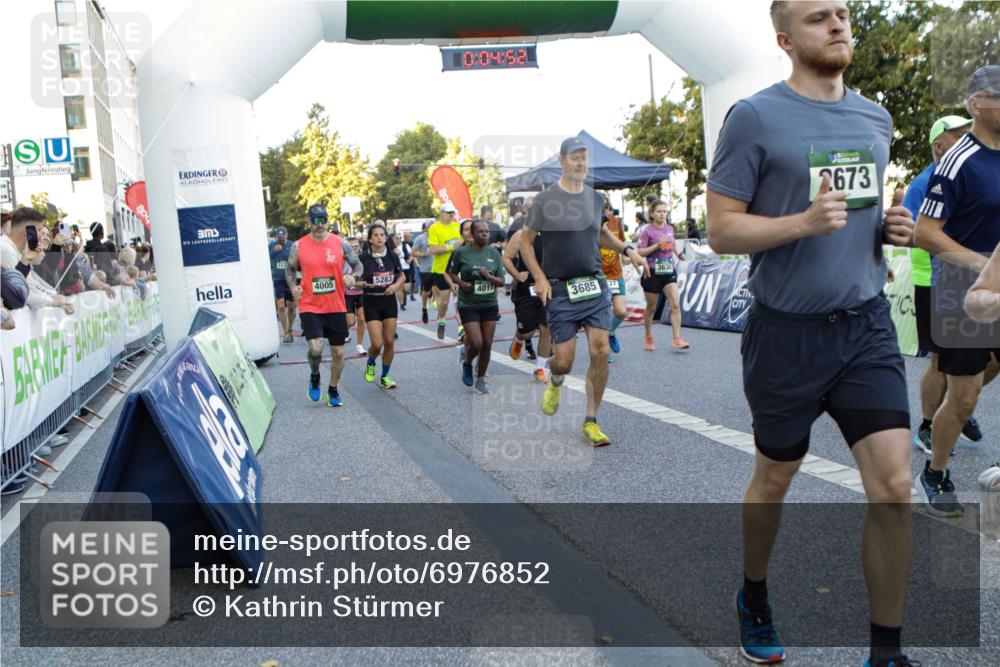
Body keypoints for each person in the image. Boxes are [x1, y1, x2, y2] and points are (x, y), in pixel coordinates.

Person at [706, 2, 917, 665]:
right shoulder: (755, 117)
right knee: (775, 476)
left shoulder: (874, 117)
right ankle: (755, 594)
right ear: (784, 38)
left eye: (843, 13)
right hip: (785, 333)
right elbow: (720, 230)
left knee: (894, 484)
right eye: (819, 16)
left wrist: (888, 228)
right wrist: (799, 223)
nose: (837, 24)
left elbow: (854, 215)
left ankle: (886, 652)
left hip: (863, 326)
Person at [521, 136, 648, 447]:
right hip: (561, 289)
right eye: (575, 157)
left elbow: (601, 232)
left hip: (594, 284)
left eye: (584, 158)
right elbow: (525, 241)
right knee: (563, 359)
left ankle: (591, 420)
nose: (581, 163)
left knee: (600, 351)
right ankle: (556, 380)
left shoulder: (594, 199)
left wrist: (627, 249)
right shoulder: (546, 200)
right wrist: (538, 276)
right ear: (562, 161)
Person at [913, 65, 1000, 519]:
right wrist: (982, 264)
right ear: (976, 105)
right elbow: (925, 234)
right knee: (965, 397)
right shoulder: (956, 162)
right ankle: (936, 471)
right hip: (961, 291)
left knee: (970, 391)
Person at [903, 115, 983, 452]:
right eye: (959, 136)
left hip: (969, 280)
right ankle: (927, 424)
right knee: (938, 359)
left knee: (974, 357)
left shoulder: (969, 173)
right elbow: (908, 231)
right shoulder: (924, 182)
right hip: (934, 280)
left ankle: (956, 405)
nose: (969, 140)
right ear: (939, 145)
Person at [284, 204, 363, 407]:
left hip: (336, 305)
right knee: (316, 349)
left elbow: (358, 264)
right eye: (315, 220)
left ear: (328, 220)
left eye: (323, 220)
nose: (320, 225)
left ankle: (333, 388)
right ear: (309, 221)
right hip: (310, 305)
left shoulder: (340, 243)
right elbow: (290, 269)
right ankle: (315, 374)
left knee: (338, 352)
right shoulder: (299, 246)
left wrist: (353, 278)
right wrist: (294, 287)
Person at [447, 218, 505, 393]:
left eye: (487, 231)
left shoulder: (494, 254)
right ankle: (467, 363)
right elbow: (451, 272)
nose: (485, 234)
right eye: (480, 231)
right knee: (477, 342)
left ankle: (480, 378)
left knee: (487, 343)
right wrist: (461, 284)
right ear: (472, 234)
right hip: (468, 304)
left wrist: (489, 277)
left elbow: (501, 281)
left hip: (489, 303)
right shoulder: (461, 252)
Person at [504, 199, 551, 382]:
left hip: (548, 288)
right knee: (528, 332)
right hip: (527, 288)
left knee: (547, 328)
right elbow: (507, 258)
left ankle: (540, 368)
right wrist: (516, 274)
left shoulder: (552, 234)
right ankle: (519, 338)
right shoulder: (520, 235)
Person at [356, 224, 405, 389]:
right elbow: (353, 281)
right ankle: (371, 361)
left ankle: (385, 376)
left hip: (388, 301)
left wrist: (396, 285)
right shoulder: (363, 258)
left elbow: (402, 276)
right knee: (377, 344)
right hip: (371, 302)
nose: (379, 238)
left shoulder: (392, 256)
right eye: (375, 235)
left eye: (382, 235)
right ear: (370, 239)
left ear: (386, 237)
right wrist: (363, 284)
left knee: (389, 341)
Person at [638, 199, 689, 351]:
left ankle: (677, 339)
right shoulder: (647, 231)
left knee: (674, 303)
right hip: (652, 272)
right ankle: (648, 334)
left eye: (665, 211)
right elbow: (640, 252)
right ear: (652, 214)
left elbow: (672, 243)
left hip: (668, 270)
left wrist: (678, 253)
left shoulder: (669, 228)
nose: (662, 214)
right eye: (659, 211)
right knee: (651, 307)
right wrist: (656, 245)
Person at [427, 202, 462, 339]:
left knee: (459, 299)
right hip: (441, 269)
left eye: (452, 213)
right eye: (448, 213)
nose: (451, 215)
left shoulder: (457, 226)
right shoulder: (435, 228)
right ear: (441, 213)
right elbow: (432, 250)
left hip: (456, 268)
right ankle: (441, 320)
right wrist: (450, 247)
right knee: (445, 301)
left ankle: (462, 327)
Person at [601, 197, 630, 357]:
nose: (606, 213)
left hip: (616, 274)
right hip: (599, 276)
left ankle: (610, 332)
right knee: (603, 314)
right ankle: (604, 349)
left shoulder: (616, 221)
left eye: (607, 209)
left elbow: (622, 244)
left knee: (620, 311)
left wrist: (626, 257)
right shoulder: (589, 224)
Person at [269, 226, 296, 343]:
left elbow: (298, 260)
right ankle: (285, 332)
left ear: (287, 235)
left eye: (283, 236)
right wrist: (273, 251)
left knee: (291, 308)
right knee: (280, 306)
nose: (281, 239)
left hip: (290, 280)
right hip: (278, 279)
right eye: (279, 237)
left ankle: (290, 328)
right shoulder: (272, 245)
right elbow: (264, 259)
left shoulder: (292, 245)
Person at [344, 236, 367, 355]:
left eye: (356, 246)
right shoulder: (343, 261)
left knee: (362, 319)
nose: (354, 249)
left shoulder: (363, 259)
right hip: (348, 294)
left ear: (359, 247)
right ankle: (346, 330)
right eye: (351, 246)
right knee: (351, 322)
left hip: (361, 294)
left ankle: (360, 345)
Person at [411, 221, 434, 324]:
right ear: (426, 228)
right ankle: (424, 309)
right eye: (431, 227)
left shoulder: (439, 237)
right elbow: (413, 252)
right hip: (425, 269)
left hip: (439, 268)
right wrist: (424, 254)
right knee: (427, 291)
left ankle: (441, 316)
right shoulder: (420, 238)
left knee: (440, 290)